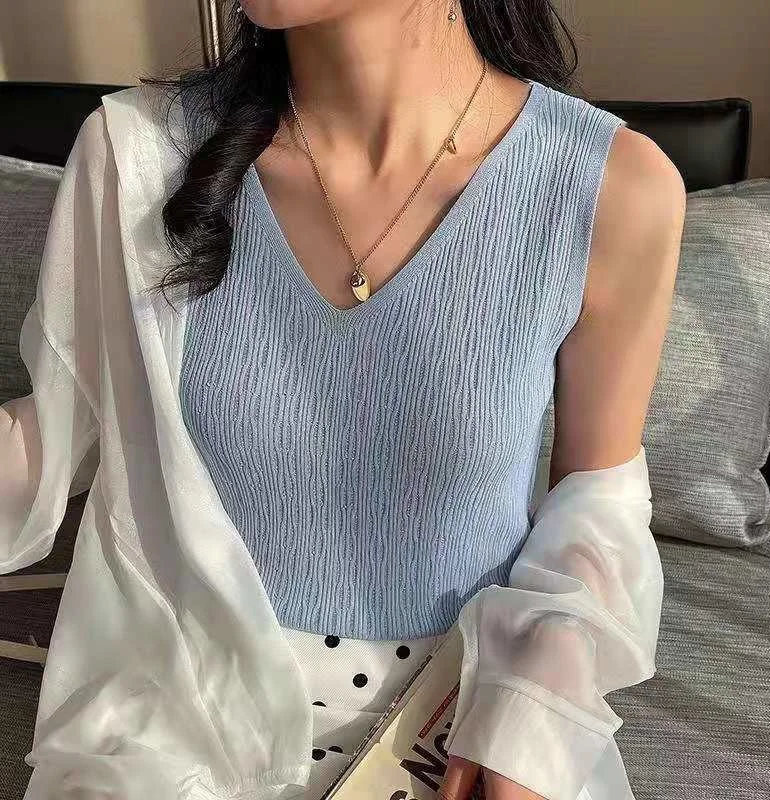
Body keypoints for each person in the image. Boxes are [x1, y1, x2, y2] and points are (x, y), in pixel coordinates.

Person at [0, 1, 685, 799]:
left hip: (460, 725)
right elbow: (60, 425)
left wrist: (537, 703)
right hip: (175, 727)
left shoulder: (608, 185)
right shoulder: (139, 154)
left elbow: (596, 496)